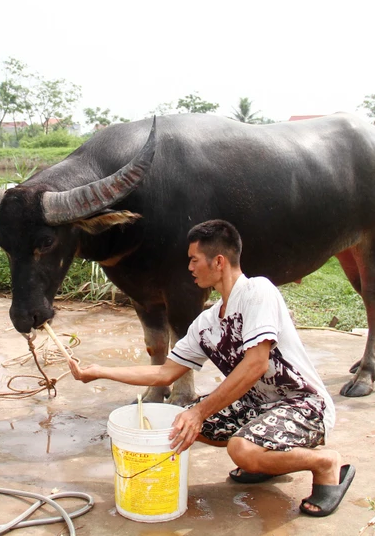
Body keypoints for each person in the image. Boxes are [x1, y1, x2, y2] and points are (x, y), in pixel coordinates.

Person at [69, 219, 355, 517]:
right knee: (178, 423)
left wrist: (199, 411)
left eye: (194, 260)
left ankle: (325, 465)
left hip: (303, 404)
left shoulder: (258, 292)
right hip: (260, 406)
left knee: (240, 449)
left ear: (218, 261)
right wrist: (99, 371)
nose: (189, 267)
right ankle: (266, 460)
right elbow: (165, 373)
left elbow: (256, 364)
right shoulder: (207, 324)